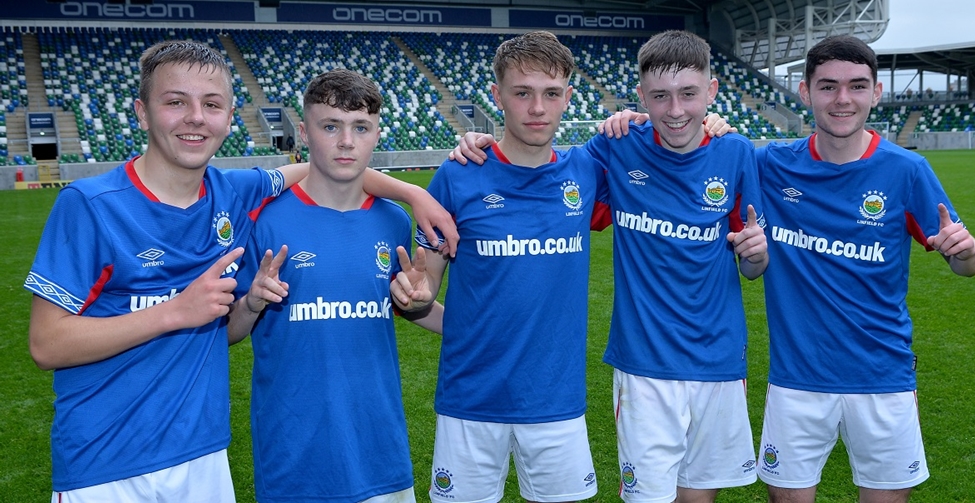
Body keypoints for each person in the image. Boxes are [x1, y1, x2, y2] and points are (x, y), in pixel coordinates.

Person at [24, 40, 455, 503]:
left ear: (230, 117)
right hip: (105, 464)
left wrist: (415, 195)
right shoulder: (90, 205)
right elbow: (46, 344)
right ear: (142, 112)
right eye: (175, 102)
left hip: (203, 458)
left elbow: (330, 169)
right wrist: (175, 311)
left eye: (211, 104)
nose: (195, 117)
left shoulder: (235, 194)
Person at [603, 34, 975, 503]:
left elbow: (969, 264)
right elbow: (707, 154)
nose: (842, 99)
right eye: (828, 86)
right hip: (796, 379)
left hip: (883, 376)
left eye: (857, 86)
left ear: (876, 92)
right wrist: (685, 120)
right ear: (805, 92)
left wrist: (965, 251)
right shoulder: (767, 163)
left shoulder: (908, 170)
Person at [451, 30, 766, 503]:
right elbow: (538, 165)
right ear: (640, 97)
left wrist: (756, 255)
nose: (676, 110)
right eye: (660, 97)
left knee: (699, 493)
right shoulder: (615, 146)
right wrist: (476, 143)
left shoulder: (737, 152)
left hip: (720, 359)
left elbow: (752, 266)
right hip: (643, 364)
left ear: (712, 91)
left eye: (689, 95)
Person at [394, 31, 608, 503]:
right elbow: (426, 282)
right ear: (497, 97)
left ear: (568, 97)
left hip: (556, 401)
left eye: (551, 93)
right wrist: (418, 296)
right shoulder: (457, 174)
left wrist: (711, 123)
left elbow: (664, 147)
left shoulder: (587, 172)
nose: (537, 107)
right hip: (471, 398)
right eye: (522, 92)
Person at [227, 68, 444, 503]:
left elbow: (406, 306)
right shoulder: (264, 220)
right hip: (293, 456)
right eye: (331, 126)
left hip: (381, 453)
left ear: (377, 134)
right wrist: (251, 302)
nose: (347, 141)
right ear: (304, 133)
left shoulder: (392, 221)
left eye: (360, 127)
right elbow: (228, 331)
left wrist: (418, 303)